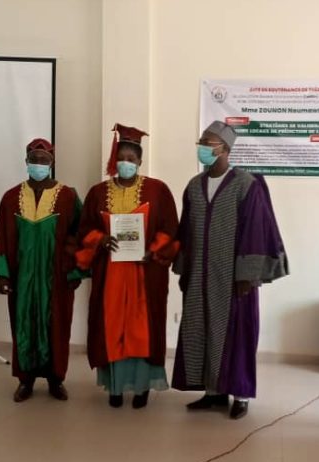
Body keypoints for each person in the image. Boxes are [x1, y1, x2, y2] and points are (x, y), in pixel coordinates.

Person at [172, 120, 288, 419]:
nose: (201, 146)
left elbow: (256, 230)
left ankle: (241, 395)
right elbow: (186, 230)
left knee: (237, 334)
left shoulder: (246, 184)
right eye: (200, 141)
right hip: (200, 274)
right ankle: (213, 393)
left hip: (233, 278)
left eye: (207, 141)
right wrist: (184, 268)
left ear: (224, 148)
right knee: (202, 329)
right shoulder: (194, 186)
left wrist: (247, 274)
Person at [77, 124, 179, 409]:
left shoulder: (158, 191)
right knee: (111, 326)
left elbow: (171, 228)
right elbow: (84, 229)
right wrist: (100, 239)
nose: (125, 163)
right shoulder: (98, 193)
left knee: (142, 328)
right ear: (113, 160)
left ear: (140, 161)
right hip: (110, 272)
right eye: (120, 158)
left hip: (144, 272)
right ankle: (115, 387)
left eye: (131, 159)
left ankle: (142, 387)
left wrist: (153, 249)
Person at [0, 138, 83, 403]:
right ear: (26, 161)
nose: (38, 164)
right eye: (34, 159)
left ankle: (56, 379)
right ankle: (25, 380)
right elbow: (2, 237)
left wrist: (74, 270)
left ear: (52, 162)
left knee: (57, 325)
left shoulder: (68, 196)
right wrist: (3, 274)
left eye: (44, 159)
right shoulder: (11, 197)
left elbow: (80, 234)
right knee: (24, 323)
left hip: (57, 276)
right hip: (22, 276)